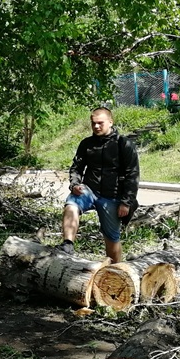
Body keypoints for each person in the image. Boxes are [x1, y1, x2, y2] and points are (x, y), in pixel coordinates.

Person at [58, 107, 139, 263]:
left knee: (112, 238)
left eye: (100, 123)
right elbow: (76, 168)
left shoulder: (124, 144)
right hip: (89, 190)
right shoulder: (86, 144)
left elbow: (132, 175)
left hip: (113, 196)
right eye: (93, 123)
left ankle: (115, 271)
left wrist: (126, 202)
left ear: (110, 122)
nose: (96, 127)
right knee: (72, 203)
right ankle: (67, 245)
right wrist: (74, 184)